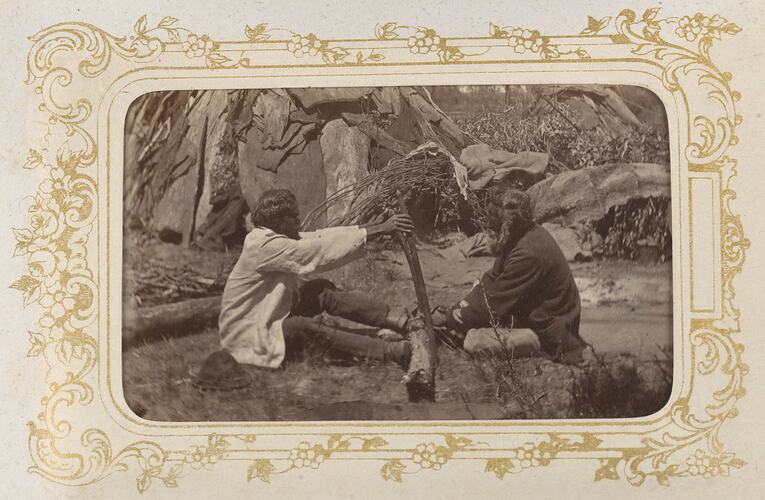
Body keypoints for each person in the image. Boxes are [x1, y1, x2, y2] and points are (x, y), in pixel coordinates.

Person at [192, 189, 415, 390]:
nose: (299, 220)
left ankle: (400, 321)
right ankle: (389, 352)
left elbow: (320, 236)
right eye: (294, 217)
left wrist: (372, 228)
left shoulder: (270, 236)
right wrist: (378, 230)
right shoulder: (266, 246)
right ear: (280, 221)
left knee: (319, 290)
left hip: (263, 316)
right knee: (303, 327)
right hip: (249, 335)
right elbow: (318, 250)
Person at [435, 184, 594, 365]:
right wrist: (463, 304)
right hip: (539, 319)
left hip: (549, 332)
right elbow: (492, 278)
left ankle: (534, 346)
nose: (488, 227)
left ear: (503, 223)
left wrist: (456, 316)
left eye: (491, 223)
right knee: (469, 322)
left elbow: (494, 304)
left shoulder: (528, 254)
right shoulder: (521, 235)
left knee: (473, 342)